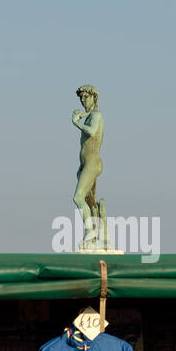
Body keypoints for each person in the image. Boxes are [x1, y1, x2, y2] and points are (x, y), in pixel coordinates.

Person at [72, 85, 104, 246]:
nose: (83, 100)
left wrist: (76, 123)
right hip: (85, 165)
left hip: (92, 164)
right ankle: (94, 232)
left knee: (77, 197)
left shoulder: (96, 115)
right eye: (81, 97)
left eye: (86, 96)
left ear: (94, 97)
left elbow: (92, 132)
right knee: (89, 201)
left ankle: (90, 232)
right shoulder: (89, 115)